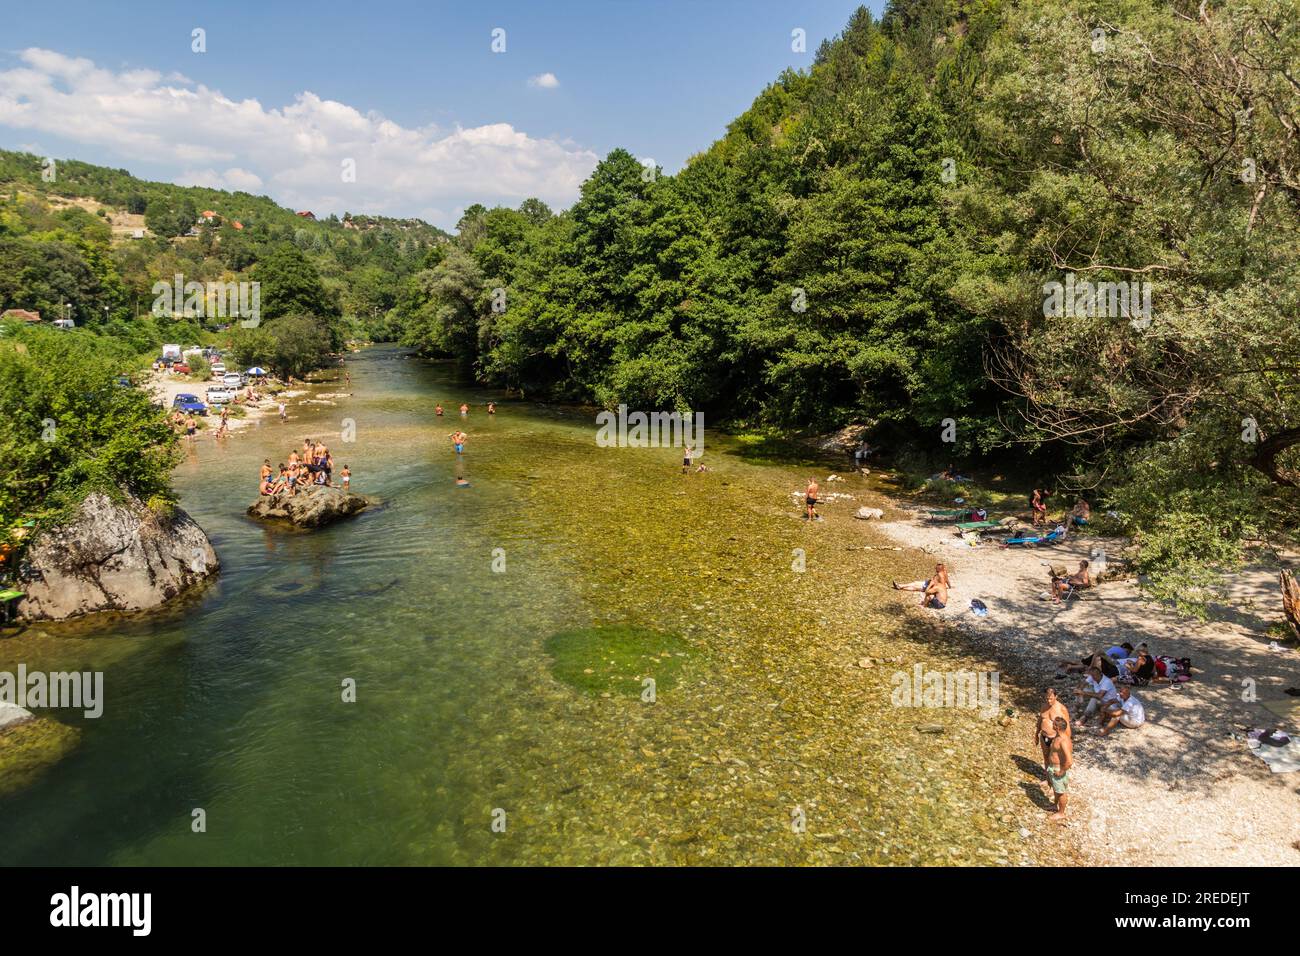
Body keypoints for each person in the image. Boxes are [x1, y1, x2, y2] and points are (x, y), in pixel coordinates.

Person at [1036, 688, 1072, 775]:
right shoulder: (1044, 707)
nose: (1049, 701)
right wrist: (1036, 734)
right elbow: (1040, 720)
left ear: (1056, 696)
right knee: (1045, 755)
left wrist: (1068, 741)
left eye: (1051, 698)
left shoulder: (1062, 709)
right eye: (1047, 698)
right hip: (1044, 736)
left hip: (1055, 738)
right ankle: (1047, 778)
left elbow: (1067, 727)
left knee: (1056, 759)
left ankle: (1059, 777)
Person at [1045, 716, 1072, 822]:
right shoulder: (1058, 736)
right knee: (1056, 790)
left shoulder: (1063, 741)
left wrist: (1061, 772)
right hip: (1053, 768)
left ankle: (1061, 813)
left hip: (1058, 769)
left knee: (1061, 792)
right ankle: (1054, 806)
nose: (1052, 725)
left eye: (1054, 724)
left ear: (1057, 727)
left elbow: (1069, 761)